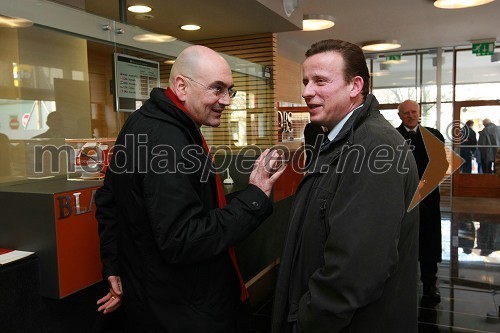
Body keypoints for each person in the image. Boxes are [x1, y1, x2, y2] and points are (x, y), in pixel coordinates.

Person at [95, 45, 285, 332]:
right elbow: (183, 240)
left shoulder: (141, 122)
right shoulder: (169, 141)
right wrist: (254, 196)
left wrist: (112, 265)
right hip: (180, 308)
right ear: (182, 86)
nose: (226, 100)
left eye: (229, 90)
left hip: (152, 296)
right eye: (217, 89)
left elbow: (108, 201)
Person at [271, 39, 420, 333]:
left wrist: (307, 322)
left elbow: (356, 272)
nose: (306, 92)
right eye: (305, 81)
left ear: (355, 86)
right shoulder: (340, 140)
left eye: (320, 81)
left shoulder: (373, 148)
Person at [396, 100, 448, 304]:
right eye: (406, 113)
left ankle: (429, 285)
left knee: (429, 241)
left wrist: (424, 185)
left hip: (428, 197)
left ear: (419, 113)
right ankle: (400, 285)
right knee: (401, 240)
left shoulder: (434, 135)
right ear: (400, 115)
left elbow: (441, 164)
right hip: (401, 197)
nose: (410, 116)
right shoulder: (392, 137)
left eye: (414, 112)